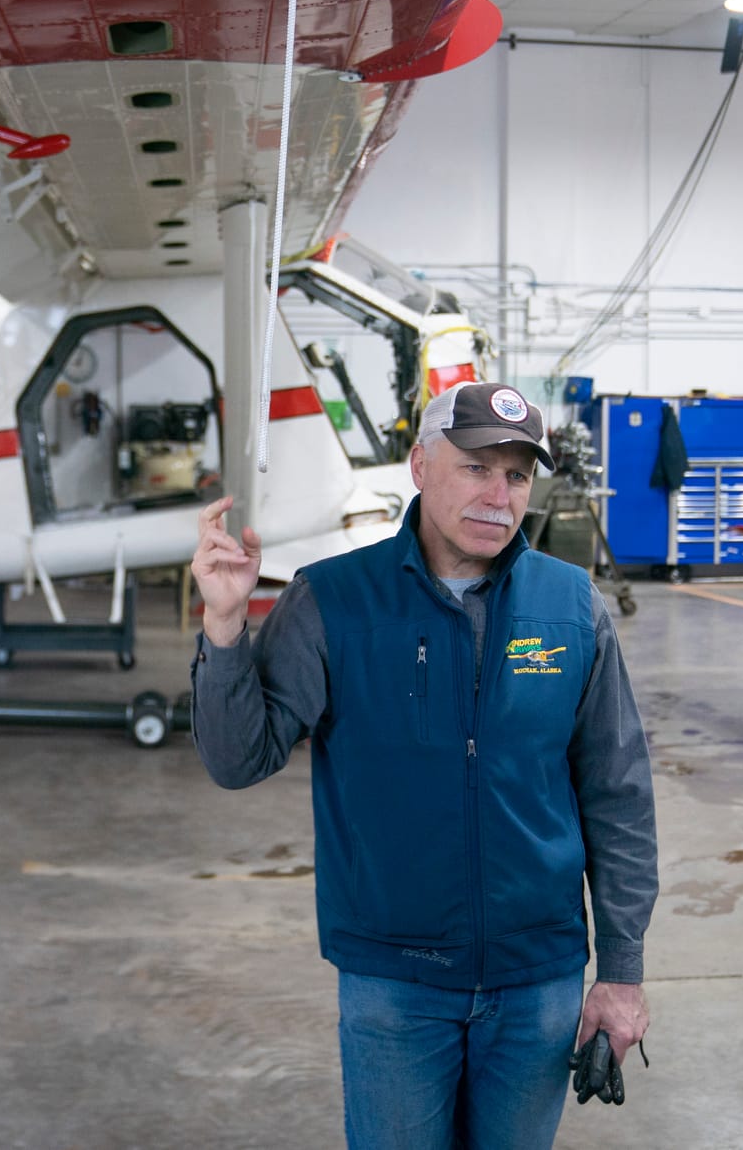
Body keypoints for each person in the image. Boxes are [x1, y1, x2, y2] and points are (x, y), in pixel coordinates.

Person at [189, 381, 657, 1149]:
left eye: (516, 474)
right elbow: (240, 758)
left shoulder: (571, 606)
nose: (498, 495)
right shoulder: (334, 599)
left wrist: (622, 969)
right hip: (393, 983)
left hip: (537, 981)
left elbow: (618, 795)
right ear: (419, 465)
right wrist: (228, 621)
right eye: (476, 467)